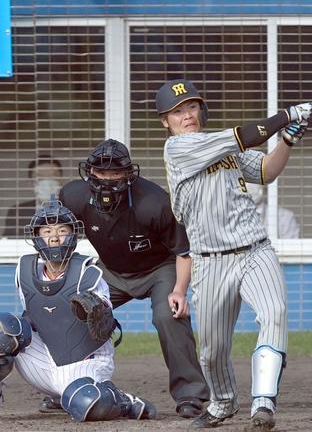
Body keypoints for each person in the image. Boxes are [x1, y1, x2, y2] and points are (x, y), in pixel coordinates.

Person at [157, 79, 312, 430]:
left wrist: (288, 139)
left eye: (192, 107)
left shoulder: (224, 145)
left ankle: (263, 404)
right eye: (177, 112)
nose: (187, 115)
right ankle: (223, 402)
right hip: (211, 261)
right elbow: (247, 135)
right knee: (212, 352)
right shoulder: (179, 150)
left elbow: (266, 171)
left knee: (274, 312)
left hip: (255, 248)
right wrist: (286, 115)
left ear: (201, 109)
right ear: (166, 122)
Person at [57, 138, 210, 418]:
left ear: (129, 174)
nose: (107, 179)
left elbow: (184, 252)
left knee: (169, 315)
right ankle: (67, 387)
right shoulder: (73, 196)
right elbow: (59, 236)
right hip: (112, 271)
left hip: (159, 269)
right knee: (72, 309)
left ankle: (191, 394)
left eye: (115, 173)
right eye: (101, 173)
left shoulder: (154, 201)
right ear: (90, 173)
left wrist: (179, 290)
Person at [0, 198, 157, 422]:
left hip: (86, 362)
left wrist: (94, 311)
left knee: (87, 402)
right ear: (37, 236)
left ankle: (121, 400)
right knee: (3, 328)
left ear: (73, 235)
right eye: (46, 230)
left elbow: (104, 327)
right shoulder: (23, 271)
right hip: (44, 362)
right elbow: (32, 319)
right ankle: (59, 395)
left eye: (62, 230)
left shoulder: (89, 274)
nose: (54, 237)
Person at [3, 154, 63, 238]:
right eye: (41, 178)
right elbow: (8, 243)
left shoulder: (74, 210)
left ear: (61, 180)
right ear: (31, 184)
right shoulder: (17, 213)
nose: (47, 183)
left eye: (52, 176)